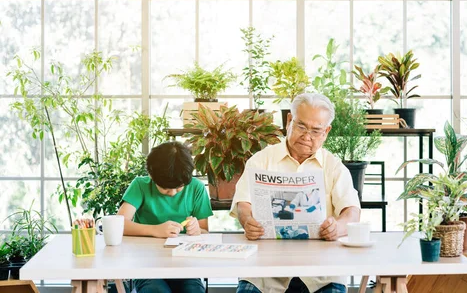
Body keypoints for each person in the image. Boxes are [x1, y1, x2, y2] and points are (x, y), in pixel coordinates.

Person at [231, 93, 361, 293]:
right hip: (266, 273)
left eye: (316, 130)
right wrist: (247, 220)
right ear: (289, 121)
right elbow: (243, 204)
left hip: (322, 274)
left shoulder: (333, 166)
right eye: (301, 126)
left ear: (326, 131)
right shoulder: (261, 160)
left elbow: (351, 211)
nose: (307, 136)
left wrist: (339, 227)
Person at [117, 141, 213, 293]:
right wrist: (156, 230)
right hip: (147, 265)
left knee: (193, 290)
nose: (173, 193)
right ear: (151, 176)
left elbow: (205, 231)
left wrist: (197, 230)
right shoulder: (140, 186)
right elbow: (119, 224)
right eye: (166, 189)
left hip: (186, 265)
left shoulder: (196, 188)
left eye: (179, 187)